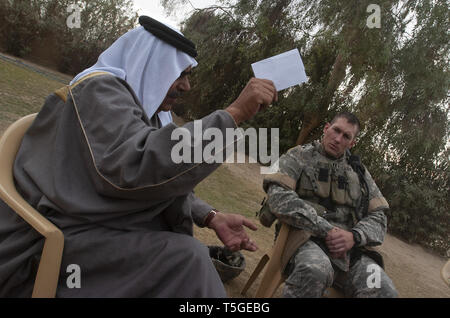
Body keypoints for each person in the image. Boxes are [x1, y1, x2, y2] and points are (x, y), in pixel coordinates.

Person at [0, 16, 277, 297]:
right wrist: (233, 115)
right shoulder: (99, 91)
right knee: (186, 259)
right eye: (180, 74)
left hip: (98, 231)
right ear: (151, 63)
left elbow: (156, 181)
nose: (186, 86)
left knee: (184, 258)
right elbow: (135, 167)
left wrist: (209, 216)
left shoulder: (146, 112)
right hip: (58, 241)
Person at [262, 112, 398, 298]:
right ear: (326, 128)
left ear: (352, 143)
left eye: (346, 136)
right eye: (336, 131)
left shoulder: (359, 173)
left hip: (350, 251)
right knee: (315, 271)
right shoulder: (299, 155)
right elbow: (279, 198)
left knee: (384, 289)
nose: (338, 139)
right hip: (304, 240)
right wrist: (326, 230)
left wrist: (354, 236)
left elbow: (379, 217)